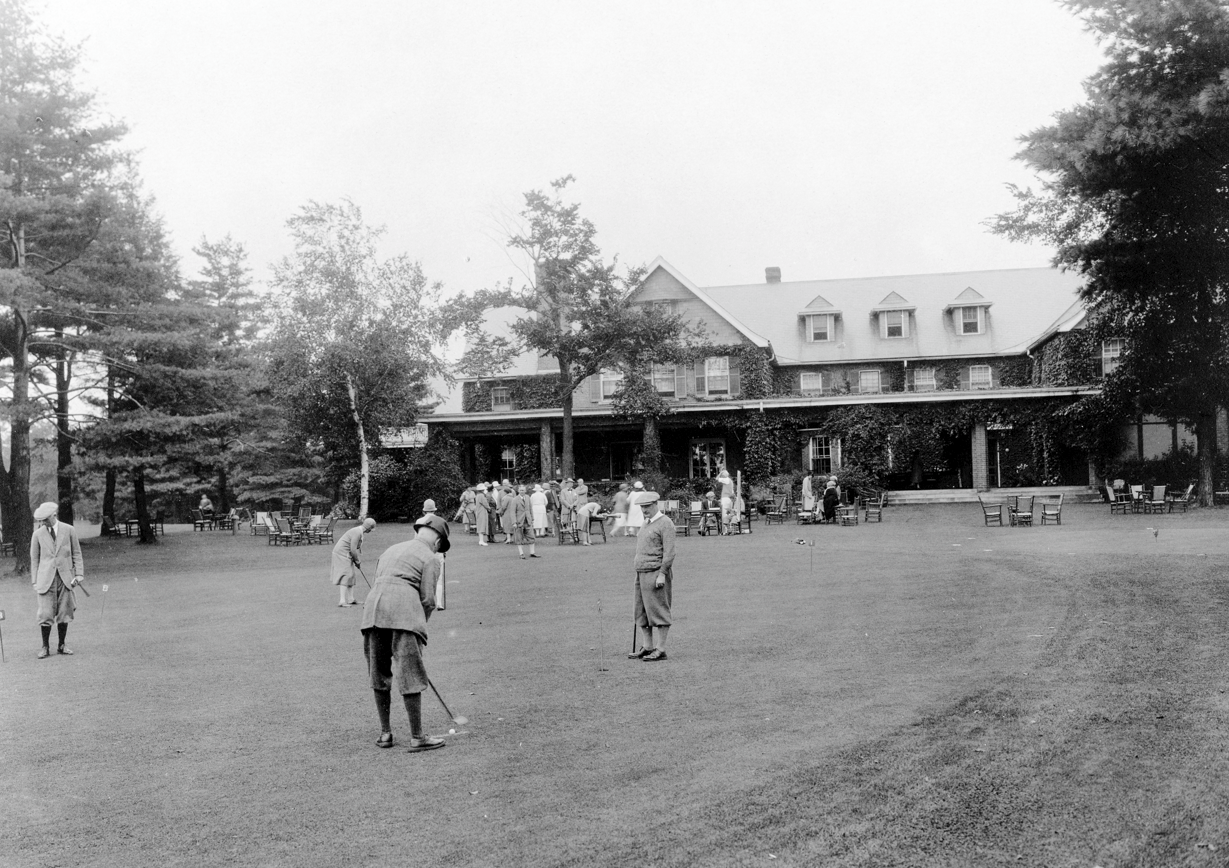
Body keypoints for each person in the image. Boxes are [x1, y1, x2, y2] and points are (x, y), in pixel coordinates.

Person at [360, 514, 451, 752]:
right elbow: (429, 600)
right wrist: (420, 627)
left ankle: (386, 734)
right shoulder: (432, 558)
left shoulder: (391, 549)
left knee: (378, 673)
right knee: (410, 673)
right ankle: (417, 737)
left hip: (372, 612)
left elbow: (378, 580)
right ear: (438, 541)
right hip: (404, 614)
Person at [30, 502, 85, 659]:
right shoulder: (38, 535)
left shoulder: (69, 530)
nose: (43, 523)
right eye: (41, 520)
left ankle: (62, 645)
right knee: (45, 613)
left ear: (54, 515)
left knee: (64, 612)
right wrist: (35, 581)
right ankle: (45, 647)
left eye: (45, 519)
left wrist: (79, 574)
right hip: (45, 580)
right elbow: (34, 559)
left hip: (65, 578)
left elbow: (77, 553)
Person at [627, 492, 675, 662]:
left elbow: (669, 553)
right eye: (642, 507)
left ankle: (660, 649)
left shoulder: (665, 523)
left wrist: (662, 573)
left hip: (656, 573)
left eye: (647, 506)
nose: (644, 510)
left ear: (656, 504)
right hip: (641, 572)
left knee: (658, 610)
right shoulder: (646, 523)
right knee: (641, 611)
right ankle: (647, 647)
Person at [332, 518, 376, 607]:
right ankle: (342, 601)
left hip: (347, 554)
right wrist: (357, 560)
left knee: (351, 575)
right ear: (368, 528)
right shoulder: (357, 532)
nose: (370, 531)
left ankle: (351, 599)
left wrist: (356, 560)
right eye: (371, 529)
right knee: (346, 575)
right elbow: (352, 549)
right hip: (341, 554)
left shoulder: (359, 532)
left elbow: (354, 549)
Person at [512, 484, 539, 559]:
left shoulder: (528, 498)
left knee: (531, 536)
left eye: (523, 490)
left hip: (528, 520)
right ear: (518, 491)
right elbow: (512, 512)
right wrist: (514, 522)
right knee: (519, 538)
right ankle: (521, 553)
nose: (522, 492)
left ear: (525, 491)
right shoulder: (515, 499)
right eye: (520, 490)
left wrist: (532, 518)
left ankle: (532, 552)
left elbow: (530, 508)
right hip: (519, 521)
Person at [717, 469, 735, 535]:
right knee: (729, 513)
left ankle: (725, 531)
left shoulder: (726, 479)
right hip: (729, 498)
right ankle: (729, 529)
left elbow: (717, 478)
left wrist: (720, 473)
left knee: (724, 514)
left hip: (725, 498)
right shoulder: (730, 481)